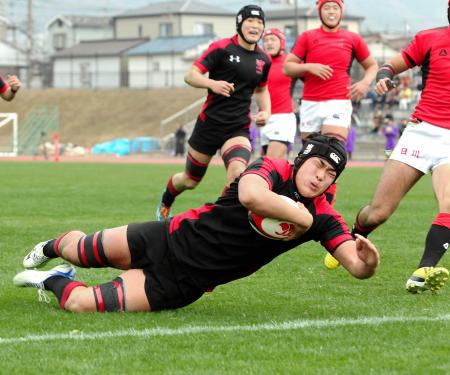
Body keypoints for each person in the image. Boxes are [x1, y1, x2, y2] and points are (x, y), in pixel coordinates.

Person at [14, 134, 379, 313]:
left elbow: (356, 266)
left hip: (183, 283)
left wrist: (368, 262)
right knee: (79, 249)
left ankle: (53, 280)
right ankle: (47, 249)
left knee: (81, 305)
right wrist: (300, 215)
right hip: (168, 238)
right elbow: (252, 196)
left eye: (330, 174)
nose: (320, 177)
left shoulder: (325, 217)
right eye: (317, 165)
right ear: (302, 160)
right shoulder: (272, 168)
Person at [351, 1, 450, 293]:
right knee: (378, 212)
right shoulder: (429, 38)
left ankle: (423, 270)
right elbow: (390, 66)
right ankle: (353, 235)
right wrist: (383, 78)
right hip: (421, 132)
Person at [155, 4, 271, 221]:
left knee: (237, 173)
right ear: (239, 24)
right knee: (190, 180)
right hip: (209, 125)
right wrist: (212, 84)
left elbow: (262, 89)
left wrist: (266, 111)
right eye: (250, 21)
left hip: (238, 127)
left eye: (259, 22)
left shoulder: (263, 59)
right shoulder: (221, 48)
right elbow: (190, 75)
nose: (255, 26)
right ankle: (166, 200)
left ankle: (221, 221)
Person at [261, 28, 296, 159]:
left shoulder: (290, 62)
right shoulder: (260, 63)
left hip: (283, 118)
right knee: (269, 166)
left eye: (273, 39)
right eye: (266, 40)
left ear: (282, 43)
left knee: (271, 162)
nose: (269, 43)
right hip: (264, 119)